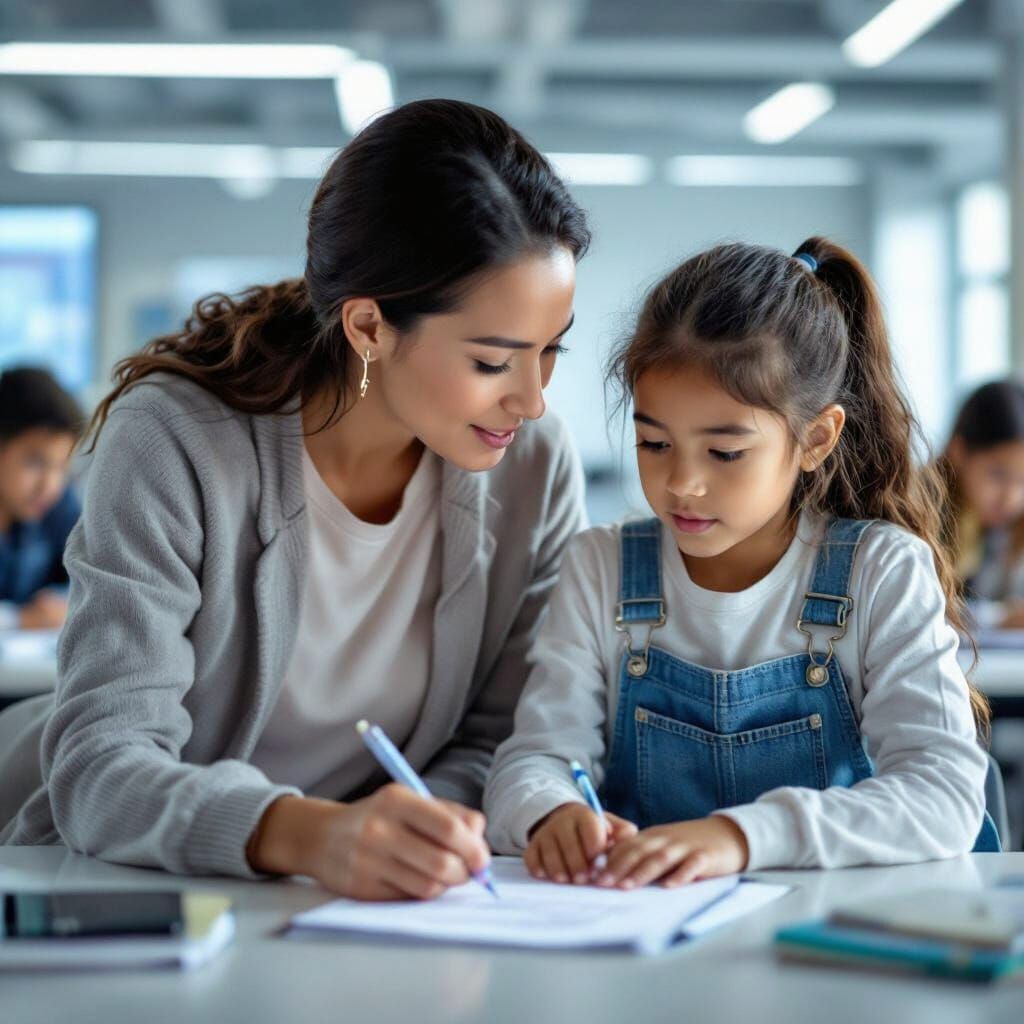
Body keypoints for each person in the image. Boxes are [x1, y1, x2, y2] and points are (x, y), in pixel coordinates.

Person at [0, 99, 591, 901]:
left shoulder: (534, 465)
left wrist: (411, 831)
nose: (532, 399)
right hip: (129, 884)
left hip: (354, 902)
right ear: (369, 328)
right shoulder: (177, 441)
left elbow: (500, 737)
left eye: (551, 351)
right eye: (494, 362)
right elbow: (102, 767)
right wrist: (313, 836)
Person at [484, 238, 993, 890]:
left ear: (815, 439)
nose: (682, 484)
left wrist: (739, 836)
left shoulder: (880, 570)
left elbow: (943, 794)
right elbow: (535, 757)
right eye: (654, 442)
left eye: (724, 453)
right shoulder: (600, 567)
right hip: (644, 932)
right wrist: (549, 811)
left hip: (828, 934)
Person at [0, 366, 82, 631]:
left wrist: (61, 603)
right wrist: (21, 619)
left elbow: (89, 579)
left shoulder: (56, 506)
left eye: (61, 467)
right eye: (35, 462)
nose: (49, 485)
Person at [936, 379, 1024, 626]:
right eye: (998, 474)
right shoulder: (919, 515)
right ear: (959, 452)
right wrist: (998, 618)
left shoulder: (1013, 527)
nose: (1012, 497)